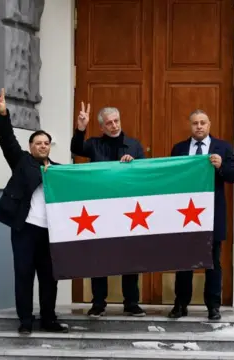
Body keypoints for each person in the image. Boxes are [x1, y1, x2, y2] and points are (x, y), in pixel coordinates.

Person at [0, 88, 68, 335]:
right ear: (31, 146)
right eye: (38, 143)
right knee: (24, 274)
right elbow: (7, 141)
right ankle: (25, 320)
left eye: (46, 143)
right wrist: (3, 114)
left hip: (50, 232)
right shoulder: (22, 161)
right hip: (25, 229)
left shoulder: (59, 171)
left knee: (49, 277)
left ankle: (48, 319)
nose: (43, 146)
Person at [70, 102, 146, 318]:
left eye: (116, 121)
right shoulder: (94, 144)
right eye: (109, 123)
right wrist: (81, 128)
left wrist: (135, 164)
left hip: (128, 210)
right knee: (99, 257)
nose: (114, 126)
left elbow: (145, 174)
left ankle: (131, 302)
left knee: (130, 257)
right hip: (101, 208)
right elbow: (76, 149)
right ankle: (98, 303)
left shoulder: (134, 145)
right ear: (102, 127)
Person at [168, 109, 234, 320]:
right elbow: (172, 177)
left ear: (209, 125)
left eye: (203, 123)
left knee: (213, 262)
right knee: (184, 261)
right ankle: (180, 304)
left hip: (212, 215)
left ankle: (213, 306)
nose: (199, 126)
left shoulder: (223, 147)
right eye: (195, 123)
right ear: (190, 126)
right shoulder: (179, 149)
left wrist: (220, 167)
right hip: (185, 214)